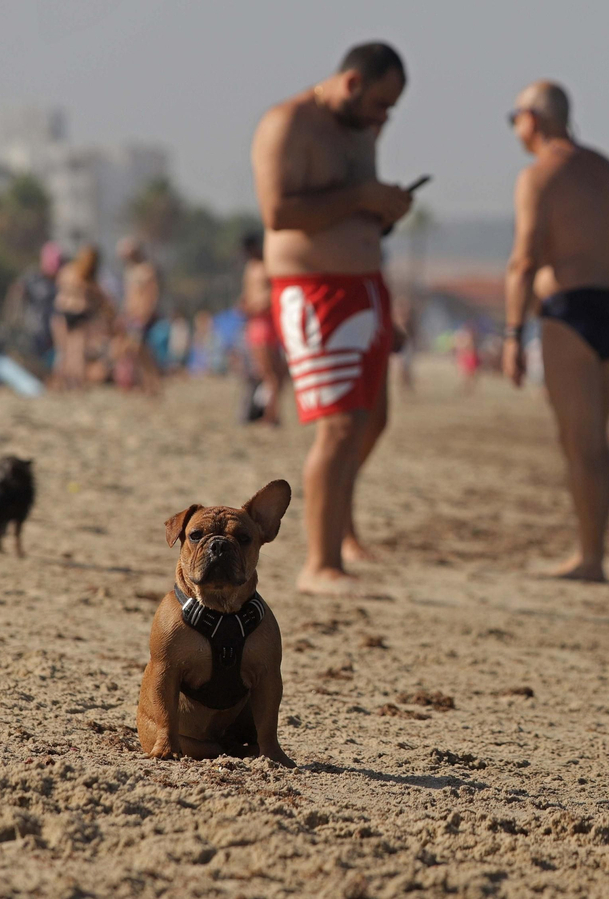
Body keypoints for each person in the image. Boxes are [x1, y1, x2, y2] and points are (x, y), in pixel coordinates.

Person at [252, 41, 414, 595]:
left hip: (365, 288)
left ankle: (340, 529)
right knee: (340, 424)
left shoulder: (361, 132)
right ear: (351, 83)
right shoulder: (289, 123)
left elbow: (352, 202)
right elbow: (279, 212)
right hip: (314, 291)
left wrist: (384, 206)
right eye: (379, 104)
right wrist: (362, 196)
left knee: (372, 420)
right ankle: (318, 564)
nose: (383, 118)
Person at [502, 80, 609, 582]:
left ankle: (591, 559)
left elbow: (524, 260)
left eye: (513, 117)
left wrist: (513, 333)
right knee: (595, 441)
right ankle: (593, 552)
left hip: (571, 308)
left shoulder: (539, 176)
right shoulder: (608, 170)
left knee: (580, 442)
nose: (514, 127)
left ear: (533, 119)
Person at [239, 232, 286, 424]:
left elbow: (274, 293)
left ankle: (270, 414)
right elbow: (248, 294)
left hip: (267, 323)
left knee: (273, 374)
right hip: (256, 324)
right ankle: (269, 414)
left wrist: (256, 306)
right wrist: (245, 305)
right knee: (268, 374)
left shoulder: (269, 265)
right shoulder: (250, 267)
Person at [51, 245, 111, 390]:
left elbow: (60, 287)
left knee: (66, 351)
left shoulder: (68, 271)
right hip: (77, 312)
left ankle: (67, 382)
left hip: (65, 311)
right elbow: (100, 298)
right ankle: (72, 382)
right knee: (74, 351)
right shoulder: (87, 277)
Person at [116, 238, 163, 395]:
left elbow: (151, 295)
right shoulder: (130, 272)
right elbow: (129, 297)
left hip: (141, 316)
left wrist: (146, 314)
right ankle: (148, 384)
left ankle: (151, 383)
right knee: (140, 352)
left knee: (138, 350)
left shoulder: (146, 270)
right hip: (131, 316)